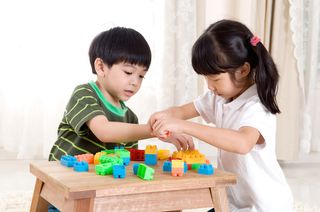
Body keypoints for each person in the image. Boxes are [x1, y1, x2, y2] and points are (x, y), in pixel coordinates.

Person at [150, 20, 293, 212]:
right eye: (206, 78)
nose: (209, 86)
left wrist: (182, 126)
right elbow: (183, 111)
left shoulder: (256, 106)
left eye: (215, 78)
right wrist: (163, 116)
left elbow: (242, 143)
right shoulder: (219, 97)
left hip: (264, 207)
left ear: (243, 70)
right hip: (233, 204)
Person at [48, 27, 194, 162]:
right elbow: (103, 131)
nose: (135, 82)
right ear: (101, 67)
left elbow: (125, 160)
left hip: (97, 180)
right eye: (128, 72)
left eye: (141, 76)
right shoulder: (84, 94)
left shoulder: (130, 118)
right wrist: (155, 130)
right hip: (63, 174)